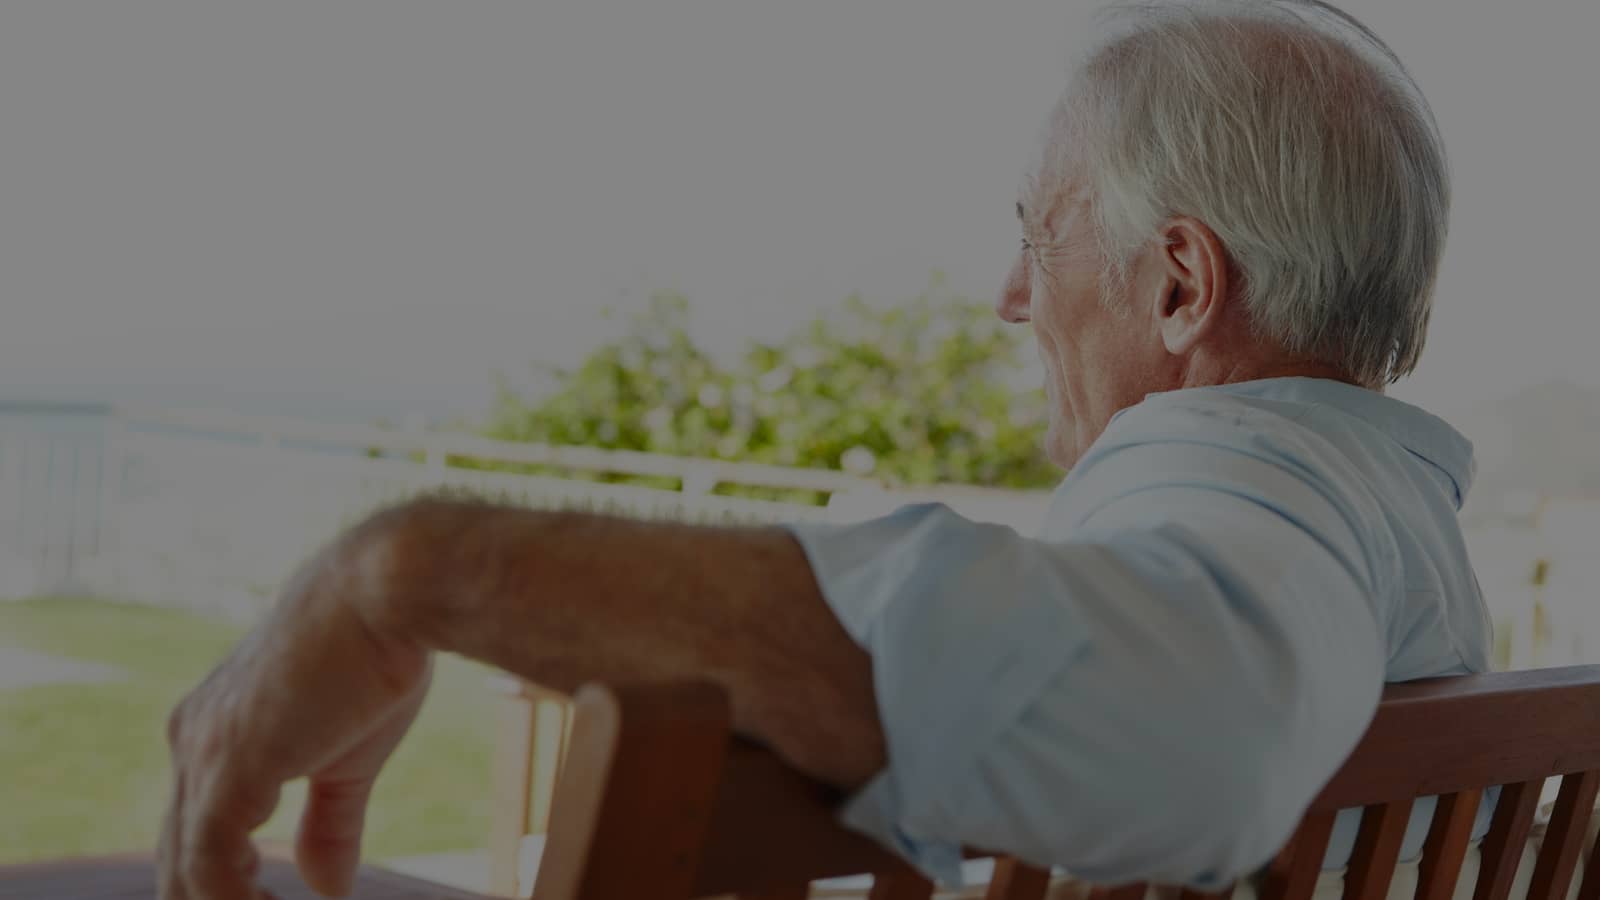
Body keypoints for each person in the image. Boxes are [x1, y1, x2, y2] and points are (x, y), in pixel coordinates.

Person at [157, 1, 1492, 897]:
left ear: (1181, 288)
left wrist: (405, 574)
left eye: (1039, 233)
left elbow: (1209, 734)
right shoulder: (1384, 516)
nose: (1011, 297)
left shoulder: (1254, 484)